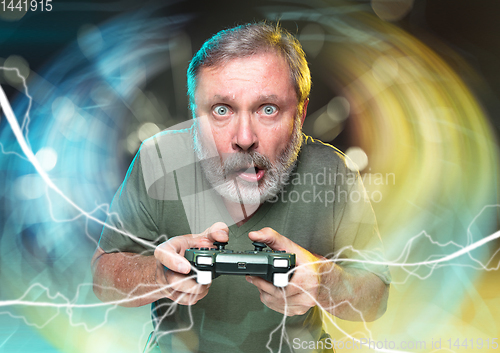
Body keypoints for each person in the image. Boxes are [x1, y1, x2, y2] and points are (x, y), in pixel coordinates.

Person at [91, 22, 391, 353]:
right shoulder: (159, 160)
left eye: (268, 109)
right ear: (195, 113)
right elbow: (102, 278)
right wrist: (158, 275)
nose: (245, 138)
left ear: (301, 114)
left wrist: (322, 281)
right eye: (221, 110)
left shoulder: (332, 172)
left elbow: (375, 299)